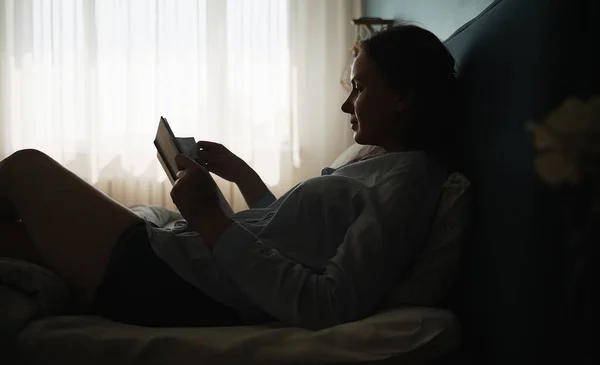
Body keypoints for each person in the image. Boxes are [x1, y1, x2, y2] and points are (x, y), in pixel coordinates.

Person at [0, 24, 457, 330]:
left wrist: (210, 219)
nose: (346, 103)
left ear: (403, 97)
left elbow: (328, 303)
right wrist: (241, 175)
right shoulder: (380, 160)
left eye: (359, 86)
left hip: (178, 284)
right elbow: (288, 235)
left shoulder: (410, 183)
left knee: (24, 168)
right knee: (18, 236)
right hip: (184, 265)